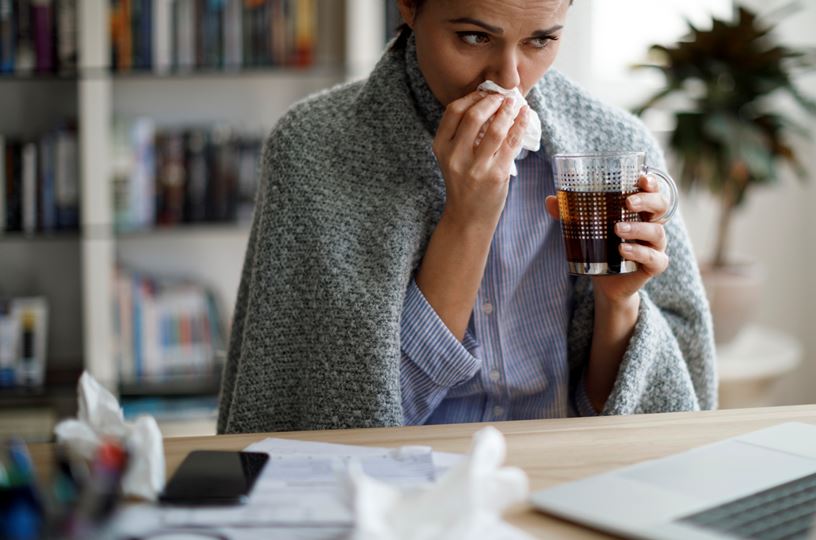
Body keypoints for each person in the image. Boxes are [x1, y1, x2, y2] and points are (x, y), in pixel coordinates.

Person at [217, 0, 716, 434]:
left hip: (566, 479)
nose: (508, 78)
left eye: (540, 40)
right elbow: (354, 420)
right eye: (475, 37)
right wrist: (468, 220)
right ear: (409, 6)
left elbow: (620, 422)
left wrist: (619, 305)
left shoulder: (613, 147)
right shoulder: (314, 147)